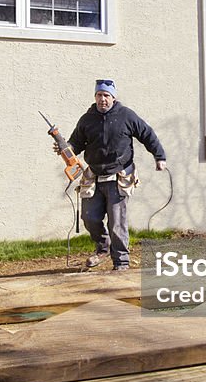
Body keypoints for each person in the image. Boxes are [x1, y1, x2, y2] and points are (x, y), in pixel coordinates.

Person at [64, 80, 166, 271]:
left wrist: (159, 156)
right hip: (93, 176)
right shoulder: (87, 119)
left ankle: (121, 262)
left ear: (113, 97)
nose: (102, 99)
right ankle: (103, 247)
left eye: (106, 95)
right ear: (95, 97)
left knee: (117, 222)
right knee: (89, 218)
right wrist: (67, 148)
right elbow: (76, 142)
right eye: (99, 95)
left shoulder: (126, 116)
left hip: (119, 176)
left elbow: (147, 134)